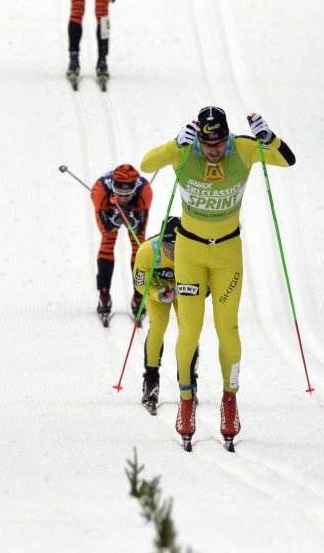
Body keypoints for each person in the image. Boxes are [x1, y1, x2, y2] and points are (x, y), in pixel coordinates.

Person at [140, 106, 296, 445]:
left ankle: (230, 400)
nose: (214, 151)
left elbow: (287, 160)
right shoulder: (184, 151)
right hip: (189, 253)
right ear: (198, 138)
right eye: (208, 145)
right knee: (190, 329)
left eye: (220, 143)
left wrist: (269, 138)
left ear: (227, 136)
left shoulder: (242, 149)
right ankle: (186, 401)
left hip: (227, 253)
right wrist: (173, 145)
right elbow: (147, 164)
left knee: (228, 328)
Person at [132, 216, 186, 414]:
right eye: (166, 245)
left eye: (176, 245)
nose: (171, 250)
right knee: (158, 325)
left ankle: (189, 380)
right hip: (158, 288)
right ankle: (151, 380)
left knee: (188, 328)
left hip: (184, 289)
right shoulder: (147, 251)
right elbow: (139, 283)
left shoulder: (193, 249)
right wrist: (157, 294)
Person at [91, 164, 152, 322]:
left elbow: (140, 228)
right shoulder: (99, 190)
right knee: (108, 240)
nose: (123, 199)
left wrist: (133, 221)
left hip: (135, 210)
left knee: (139, 246)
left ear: (134, 190)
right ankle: (104, 296)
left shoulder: (144, 191)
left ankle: (139, 296)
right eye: (118, 194)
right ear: (113, 187)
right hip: (108, 208)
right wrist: (114, 220)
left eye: (127, 195)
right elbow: (106, 227)